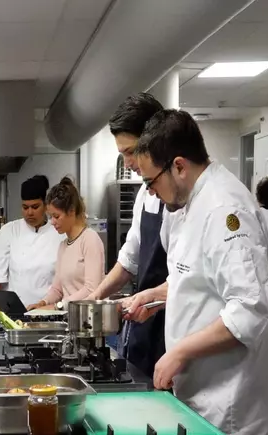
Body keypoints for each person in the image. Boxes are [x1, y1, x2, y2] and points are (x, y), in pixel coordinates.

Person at [128, 109, 268, 435]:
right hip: (198, 398)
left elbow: (250, 310)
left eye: (151, 182)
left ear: (179, 166)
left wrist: (179, 353)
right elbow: (193, 278)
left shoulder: (225, 210)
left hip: (231, 407)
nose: (150, 192)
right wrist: (157, 296)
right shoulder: (185, 206)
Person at [88, 93, 168, 377]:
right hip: (144, 322)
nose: (128, 161)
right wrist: (95, 298)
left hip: (173, 326)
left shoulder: (186, 200)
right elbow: (129, 259)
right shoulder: (145, 196)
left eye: (131, 151)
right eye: (122, 153)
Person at [28, 177, 105, 311]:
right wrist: (42, 303)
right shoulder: (63, 245)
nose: (52, 222)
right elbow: (57, 289)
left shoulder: (90, 239)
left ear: (71, 211)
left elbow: (91, 289)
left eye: (56, 216)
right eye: (50, 217)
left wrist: (58, 306)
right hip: (70, 319)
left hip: (89, 319)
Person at [0, 175, 64, 306]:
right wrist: (0, 319)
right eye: (25, 207)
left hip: (50, 312)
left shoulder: (59, 233)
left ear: (46, 206)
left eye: (35, 207)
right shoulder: (9, 231)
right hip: (15, 315)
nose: (29, 213)